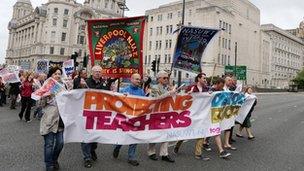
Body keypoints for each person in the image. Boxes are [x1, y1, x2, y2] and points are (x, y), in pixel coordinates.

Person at [80, 65, 117, 168]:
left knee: (95, 137)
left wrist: (113, 91)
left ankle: (92, 150)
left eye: (100, 72)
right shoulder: (86, 82)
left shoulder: (105, 82)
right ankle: (87, 157)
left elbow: (109, 95)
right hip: (87, 113)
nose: (98, 73)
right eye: (96, 71)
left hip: (100, 113)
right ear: (92, 73)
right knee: (86, 137)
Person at [174, 73, 211, 161]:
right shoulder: (192, 87)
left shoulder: (206, 88)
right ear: (198, 79)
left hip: (201, 114)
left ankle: (198, 154)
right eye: (204, 78)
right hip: (191, 114)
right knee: (186, 132)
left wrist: (210, 94)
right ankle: (177, 145)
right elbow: (183, 98)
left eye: (206, 78)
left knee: (201, 133)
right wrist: (188, 94)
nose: (205, 80)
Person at [113, 73, 145, 166]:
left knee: (134, 138)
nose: (138, 81)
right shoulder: (124, 90)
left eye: (139, 79)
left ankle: (131, 157)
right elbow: (117, 102)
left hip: (136, 118)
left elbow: (145, 103)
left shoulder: (141, 91)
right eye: (136, 79)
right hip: (125, 118)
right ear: (131, 79)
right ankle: (117, 146)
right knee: (123, 136)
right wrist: (122, 96)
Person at [147, 70, 176, 163]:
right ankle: (151, 152)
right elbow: (155, 99)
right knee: (154, 134)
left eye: (167, 77)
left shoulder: (168, 87)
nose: (166, 79)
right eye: (164, 78)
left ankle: (164, 154)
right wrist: (169, 93)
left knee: (166, 134)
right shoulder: (154, 87)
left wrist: (174, 90)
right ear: (158, 79)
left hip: (166, 114)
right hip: (156, 114)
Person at [40, 67, 65, 171]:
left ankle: (54, 160)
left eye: (59, 74)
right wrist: (45, 96)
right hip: (49, 119)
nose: (58, 75)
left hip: (60, 120)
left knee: (60, 143)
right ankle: (49, 165)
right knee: (49, 144)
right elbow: (40, 105)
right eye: (55, 74)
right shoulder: (45, 86)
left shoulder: (64, 86)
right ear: (51, 75)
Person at [208, 78, 232, 159]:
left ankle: (221, 151)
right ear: (217, 84)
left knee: (216, 131)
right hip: (208, 114)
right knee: (207, 131)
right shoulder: (211, 90)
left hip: (216, 114)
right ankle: (178, 144)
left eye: (223, 86)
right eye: (221, 86)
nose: (222, 88)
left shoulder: (221, 91)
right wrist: (209, 94)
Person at [223, 76, 237, 150]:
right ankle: (206, 141)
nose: (230, 81)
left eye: (231, 80)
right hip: (220, 111)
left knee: (228, 126)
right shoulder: (221, 89)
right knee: (216, 128)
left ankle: (226, 143)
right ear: (225, 81)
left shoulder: (230, 90)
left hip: (228, 111)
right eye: (228, 80)